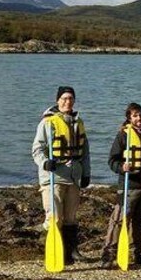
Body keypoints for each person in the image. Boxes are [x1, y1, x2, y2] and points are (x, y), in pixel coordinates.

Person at [100, 102, 141, 268]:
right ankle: (109, 254)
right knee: (119, 220)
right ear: (129, 118)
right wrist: (121, 167)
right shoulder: (123, 135)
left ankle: (135, 253)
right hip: (130, 185)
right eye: (135, 116)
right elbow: (112, 160)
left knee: (140, 222)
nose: (139, 118)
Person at [31, 86, 91, 266]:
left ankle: (72, 251)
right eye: (64, 98)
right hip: (53, 177)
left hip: (73, 177)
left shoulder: (78, 122)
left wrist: (86, 174)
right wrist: (44, 162)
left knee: (71, 217)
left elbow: (85, 152)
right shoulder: (47, 123)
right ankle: (52, 251)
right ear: (58, 100)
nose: (67, 102)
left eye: (71, 98)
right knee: (54, 217)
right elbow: (37, 149)